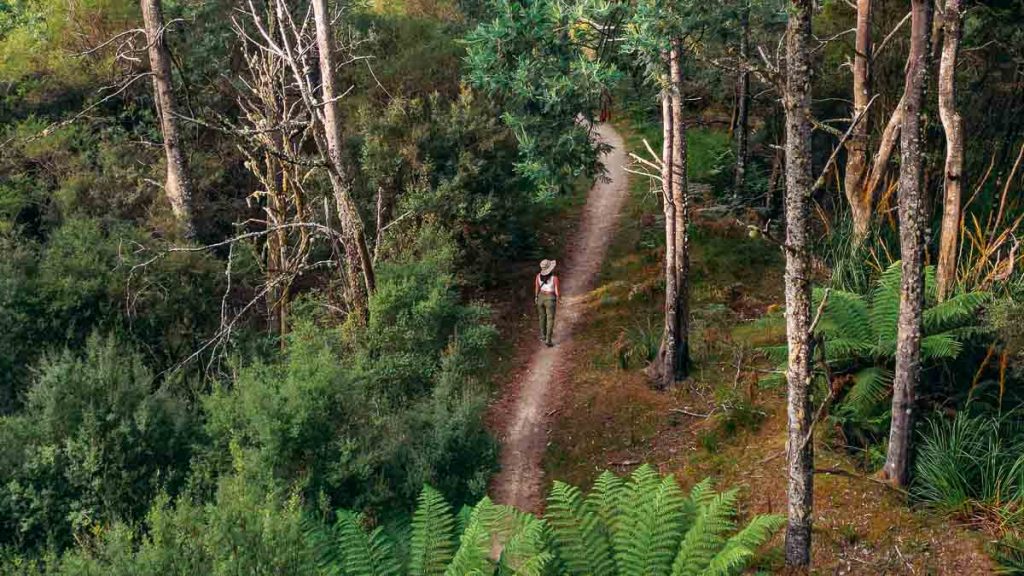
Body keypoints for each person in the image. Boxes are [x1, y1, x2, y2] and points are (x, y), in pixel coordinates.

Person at [535, 259, 561, 347]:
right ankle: (548, 340)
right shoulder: (554, 278)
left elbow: (537, 288)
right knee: (550, 319)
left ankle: (543, 335)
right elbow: (557, 292)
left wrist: (536, 297)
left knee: (542, 317)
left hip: (540, 297)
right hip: (550, 298)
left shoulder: (538, 276)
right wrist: (558, 299)